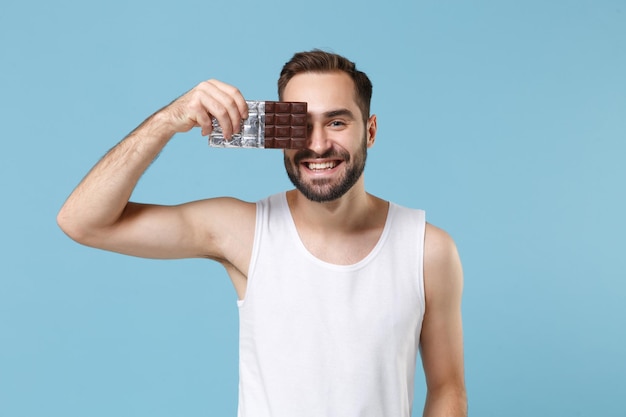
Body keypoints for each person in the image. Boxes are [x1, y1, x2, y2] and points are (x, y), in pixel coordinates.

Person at [57, 50, 467, 417]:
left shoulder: (428, 249)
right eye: (300, 125)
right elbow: (82, 221)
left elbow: (448, 388)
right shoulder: (243, 232)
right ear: (276, 133)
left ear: (371, 131)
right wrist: (168, 120)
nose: (318, 144)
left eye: (337, 121)